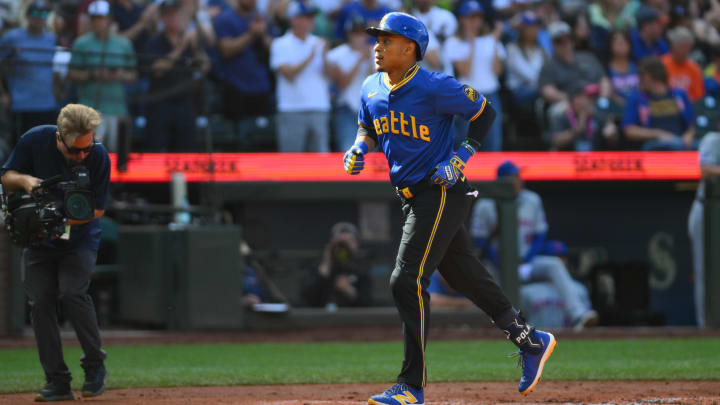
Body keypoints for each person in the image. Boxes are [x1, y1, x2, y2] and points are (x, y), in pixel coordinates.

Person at [343, 12, 556, 405]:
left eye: (386, 40)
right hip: (409, 195)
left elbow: (484, 112)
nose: (377, 46)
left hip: (441, 190)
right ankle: (530, 340)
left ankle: (411, 386)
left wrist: (460, 158)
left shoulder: (434, 84)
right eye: (377, 39)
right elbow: (367, 127)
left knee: (405, 279)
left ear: (410, 48)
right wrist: (358, 147)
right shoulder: (371, 85)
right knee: (465, 276)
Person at [0, 104, 110, 401]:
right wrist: (26, 181)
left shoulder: (98, 155)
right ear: (59, 138)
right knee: (41, 303)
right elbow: (6, 175)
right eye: (76, 151)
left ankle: (95, 365)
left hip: (79, 238)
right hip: (38, 240)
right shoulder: (35, 139)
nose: (82, 156)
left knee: (73, 293)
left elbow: (98, 209)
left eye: (86, 148)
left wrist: (58, 220)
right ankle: (57, 381)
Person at [470, 160, 599, 329]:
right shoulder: (485, 204)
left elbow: (540, 234)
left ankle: (579, 315)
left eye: (518, 176)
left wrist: (527, 258)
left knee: (553, 265)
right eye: (513, 176)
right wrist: (503, 263)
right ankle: (495, 326)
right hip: (497, 266)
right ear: (502, 180)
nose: (518, 180)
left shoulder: (532, 200)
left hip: (525, 263)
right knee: (482, 275)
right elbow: (479, 239)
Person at [68, 0, 137, 153]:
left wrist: (120, 74)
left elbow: (134, 75)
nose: (97, 22)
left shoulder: (123, 44)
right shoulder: (81, 43)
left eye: (101, 18)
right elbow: (71, 73)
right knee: (89, 152)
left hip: (117, 108)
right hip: (89, 106)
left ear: (109, 20)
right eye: (94, 18)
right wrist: (93, 74)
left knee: (115, 152)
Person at [144, 0, 210, 152]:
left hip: (185, 103)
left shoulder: (189, 40)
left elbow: (206, 66)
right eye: (168, 15)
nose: (173, 18)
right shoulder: (155, 42)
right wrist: (180, 47)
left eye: (175, 14)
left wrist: (195, 48)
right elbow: (157, 69)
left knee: (186, 148)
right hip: (160, 102)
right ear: (162, 18)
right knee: (156, 148)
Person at [270, 0, 332, 152]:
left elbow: (330, 76)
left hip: (319, 107)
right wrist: (310, 57)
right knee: (292, 161)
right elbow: (288, 74)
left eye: (311, 17)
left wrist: (324, 56)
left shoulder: (319, 43)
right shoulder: (280, 44)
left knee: (320, 162)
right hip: (291, 108)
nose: (311, 21)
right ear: (294, 19)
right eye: (306, 17)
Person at [443, 1, 505, 150]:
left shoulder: (491, 40)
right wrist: (471, 43)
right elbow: (465, 71)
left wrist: (495, 41)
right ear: (461, 19)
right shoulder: (453, 42)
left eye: (477, 17)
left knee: (493, 141)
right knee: (466, 142)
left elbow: (498, 71)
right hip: (468, 96)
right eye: (470, 17)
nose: (474, 22)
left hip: (491, 95)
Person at [213, 0, 274, 148]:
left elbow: (275, 49)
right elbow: (226, 50)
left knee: (263, 139)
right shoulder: (225, 18)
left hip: (261, 85)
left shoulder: (262, 18)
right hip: (235, 86)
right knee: (237, 141)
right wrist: (251, 34)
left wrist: (263, 33)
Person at [0, 0, 59, 145]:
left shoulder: (52, 39)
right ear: (27, 15)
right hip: (21, 104)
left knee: (46, 148)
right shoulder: (12, 38)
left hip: (47, 104)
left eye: (44, 13)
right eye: (35, 13)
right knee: (20, 149)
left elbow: (57, 69)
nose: (39, 17)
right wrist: (3, 93)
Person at [537, 21, 610, 122]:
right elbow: (547, 90)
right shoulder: (548, 66)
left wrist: (603, 99)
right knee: (556, 112)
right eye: (559, 41)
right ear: (552, 44)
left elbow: (604, 79)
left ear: (573, 40)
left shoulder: (588, 57)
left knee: (610, 107)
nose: (565, 43)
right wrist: (573, 99)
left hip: (595, 98)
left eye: (568, 39)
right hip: (569, 102)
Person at [623, 56, 697, 151]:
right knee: (673, 145)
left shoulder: (680, 95)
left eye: (642, 75)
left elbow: (692, 124)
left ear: (653, 75)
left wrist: (689, 135)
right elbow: (629, 130)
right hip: (654, 145)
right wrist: (658, 134)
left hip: (681, 143)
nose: (639, 79)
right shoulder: (636, 98)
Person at [327, 16, 374, 152]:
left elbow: (377, 82)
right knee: (348, 151)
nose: (358, 37)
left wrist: (370, 60)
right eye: (355, 33)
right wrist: (360, 59)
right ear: (348, 34)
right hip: (346, 108)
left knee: (371, 155)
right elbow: (342, 84)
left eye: (361, 33)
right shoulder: (336, 54)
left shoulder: (375, 52)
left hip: (369, 111)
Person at [688, 131, 720, 328]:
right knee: (704, 271)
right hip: (706, 210)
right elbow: (705, 169)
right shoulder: (712, 139)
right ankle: (705, 326)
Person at [301, 222, 373, 308]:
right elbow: (306, 300)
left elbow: (369, 305)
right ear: (331, 243)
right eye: (340, 241)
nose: (344, 246)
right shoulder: (316, 268)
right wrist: (325, 267)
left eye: (349, 241)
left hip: (352, 319)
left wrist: (348, 289)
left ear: (356, 245)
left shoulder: (362, 270)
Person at [550, 82, 618, 150]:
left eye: (594, 97)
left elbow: (612, 141)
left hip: (594, 158)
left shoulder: (598, 115)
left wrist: (612, 135)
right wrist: (580, 125)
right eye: (588, 97)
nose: (592, 100)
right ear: (575, 99)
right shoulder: (562, 116)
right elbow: (557, 141)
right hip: (569, 158)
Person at [505, 11, 546, 107]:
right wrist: (546, 82)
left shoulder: (539, 48)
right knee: (546, 90)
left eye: (535, 26)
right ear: (522, 29)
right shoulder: (512, 48)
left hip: (538, 86)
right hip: (519, 90)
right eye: (530, 27)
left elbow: (548, 69)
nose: (534, 30)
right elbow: (529, 74)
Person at [662, 26, 705, 102]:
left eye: (688, 48)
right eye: (682, 47)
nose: (686, 51)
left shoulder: (694, 68)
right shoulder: (662, 64)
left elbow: (699, 97)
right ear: (673, 46)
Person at [606, 30, 639, 105]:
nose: (621, 44)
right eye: (617, 42)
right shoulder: (605, 68)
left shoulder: (638, 66)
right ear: (610, 45)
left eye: (624, 41)